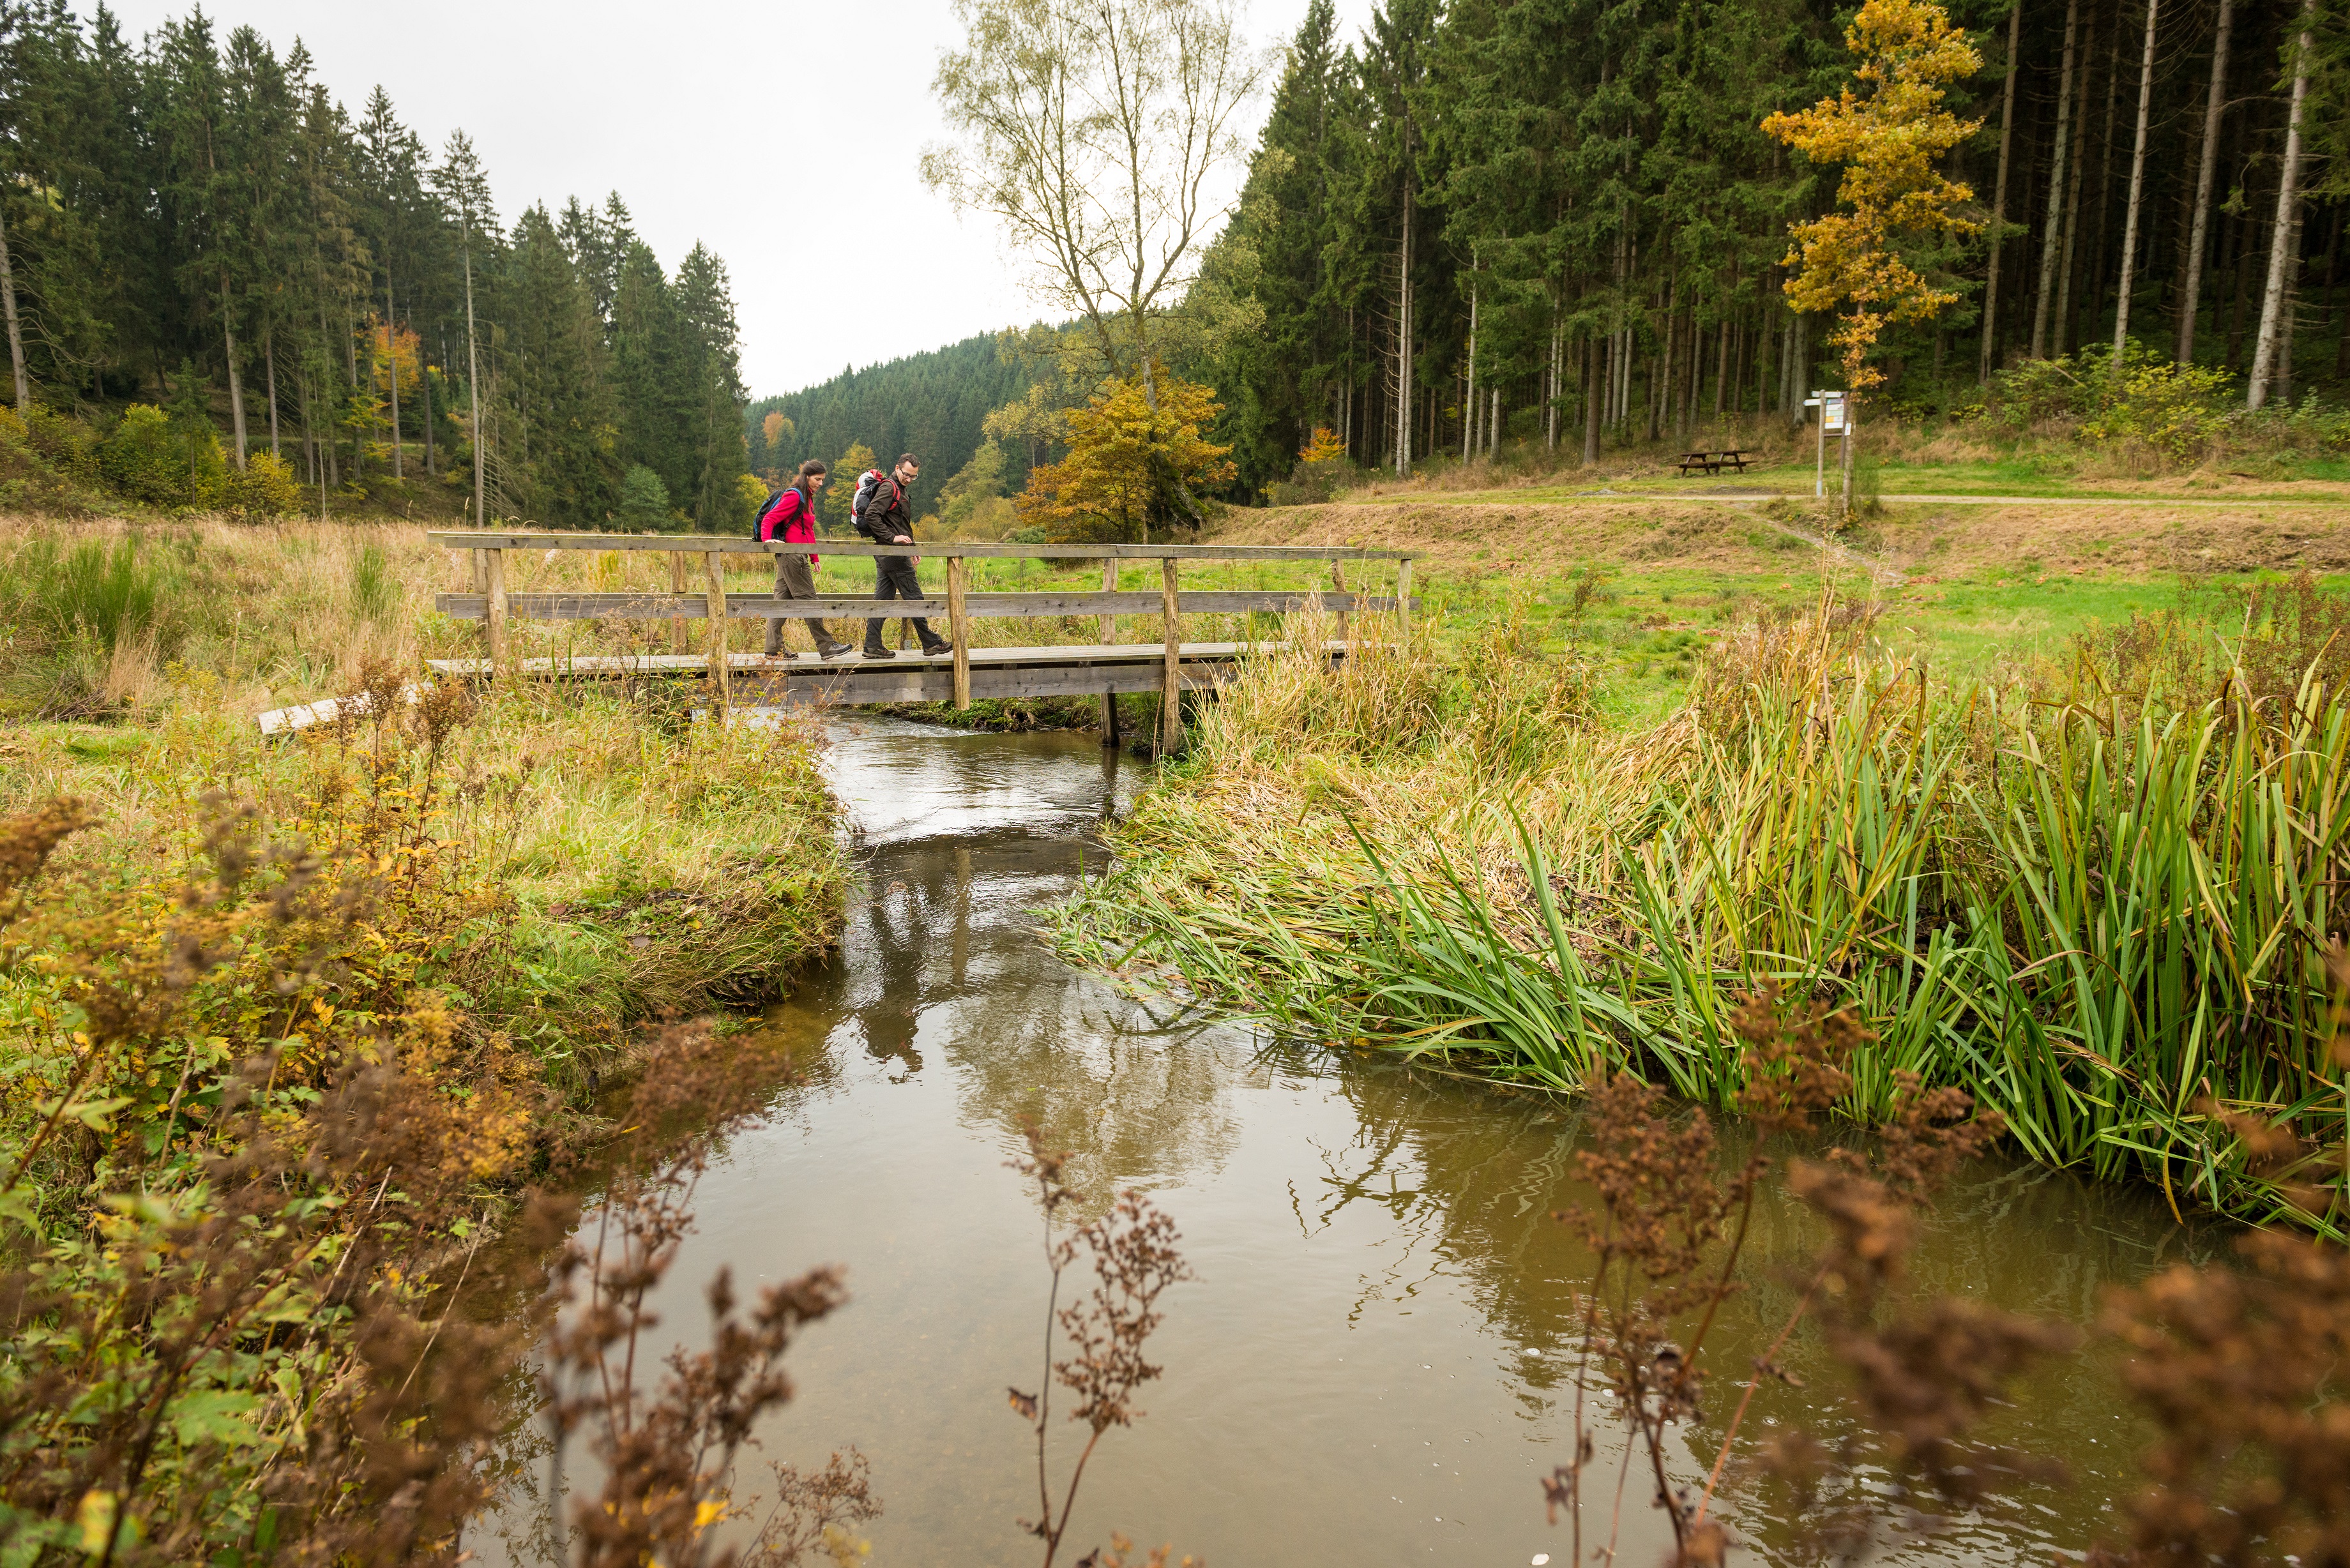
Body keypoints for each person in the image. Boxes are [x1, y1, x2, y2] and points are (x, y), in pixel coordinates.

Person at [857, 453, 950, 660]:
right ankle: (932, 643)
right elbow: (872, 514)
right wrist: (892, 538)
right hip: (893, 555)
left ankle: (872, 645)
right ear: (898, 468)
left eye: (913, 476)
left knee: (882, 600)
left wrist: (912, 546)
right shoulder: (890, 487)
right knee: (915, 597)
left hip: (887, 553)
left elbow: (901, 524)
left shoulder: (901, 489)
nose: (909, 479)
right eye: (907, 474)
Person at [758, 460, 852, 660]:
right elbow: (770, 519)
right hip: (792, 556)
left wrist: (814, 556)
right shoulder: (795, 496)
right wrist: (768, 540)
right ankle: (827, 647)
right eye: (817, 479)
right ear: (807, 477)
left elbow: (807, 529)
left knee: (781, 602)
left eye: (823, 480)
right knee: (810, 601)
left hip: (794, 555)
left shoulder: (807, 498)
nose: (821, 484)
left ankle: (772, 649)